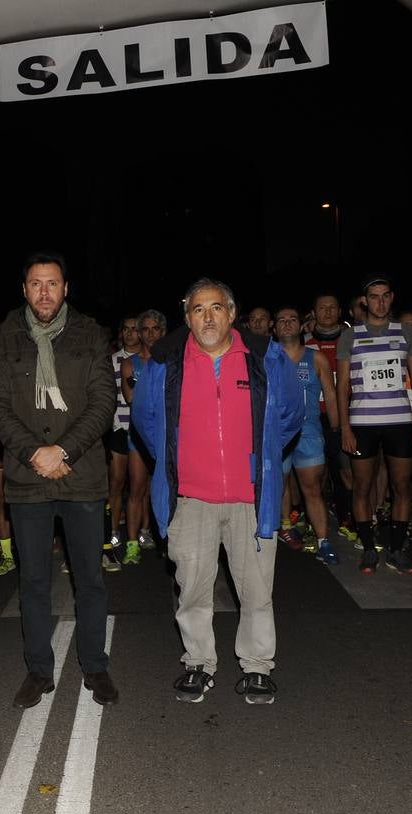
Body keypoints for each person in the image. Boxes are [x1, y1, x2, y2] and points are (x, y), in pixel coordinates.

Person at [134, 279, 301, 705]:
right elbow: (149, 424)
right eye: (197, 309)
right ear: (186, 316)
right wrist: (183, 466)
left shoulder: (266, 358)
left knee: (257, 591)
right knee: (191, 590)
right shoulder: (165, 364)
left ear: (231, 313)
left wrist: (259, 458)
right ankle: (197, 662)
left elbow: (290, 414)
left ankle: (258, 667)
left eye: (215, 308)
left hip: (252, 498)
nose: (207, 317)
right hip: (191, 499)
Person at [0, 252, 118, 708]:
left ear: (66, 289)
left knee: (90, 580)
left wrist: (61, 450)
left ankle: (95, 667)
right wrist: (34, 452)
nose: (44, 292)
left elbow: (103, 402)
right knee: (34, 582)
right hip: (27, 478)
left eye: (52, 284)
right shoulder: (5, 338)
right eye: (36, 284)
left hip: (81, 475)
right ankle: (39, 671)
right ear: (24, 290)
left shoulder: (91, 334)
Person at [336, 276, 412, 574]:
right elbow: (342, 388)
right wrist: (345, 428)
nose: (380, 302)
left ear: (392, 298)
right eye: (373, 296)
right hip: (362, 423)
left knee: (402, 487)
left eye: (385, 296)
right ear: (364, 301)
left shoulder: (406, 332)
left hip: (401, 421)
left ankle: (398, 549)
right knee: (362, 487)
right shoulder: (350, 336)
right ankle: (367, 549)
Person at [274, 306, 339, 564]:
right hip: (277, 433)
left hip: (308, 431)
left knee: (312, 488)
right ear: (275, 327)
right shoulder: (267, 358)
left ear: (301, 326)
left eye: (292, 319)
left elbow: (331, 396)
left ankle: (324, 540)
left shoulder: (317, 358)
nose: (287, 324)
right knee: (278, 485)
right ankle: (284, 528)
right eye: (282, 320)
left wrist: (335, 431)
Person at [118, 309, 166, 564]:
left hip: (165, 433)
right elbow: (130, 397)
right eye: (144, 329)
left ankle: (167, 540)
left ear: (162, 332)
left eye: (154, 329)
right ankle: (132, 543)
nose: (149, 333)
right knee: (136, 488)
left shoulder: (172, 361)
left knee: (167, 489)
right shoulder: (131, 362)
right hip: (138, 434)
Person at [305, 293, 354, 534]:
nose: (327, 312)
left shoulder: (352, 339)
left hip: (347, 416)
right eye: (322, 307)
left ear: (340, 311)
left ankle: (348, 517)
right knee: (317, 475)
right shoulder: (302, 342)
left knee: (347, 471)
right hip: (314, 418)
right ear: (314, 312)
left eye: (332, 307)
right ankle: (317, 523)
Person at [105, 316, 141, 571]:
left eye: (134, 329)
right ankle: (114, 531)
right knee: (116, 482)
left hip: (141, 428)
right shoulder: (112, 360)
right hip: (118, 426)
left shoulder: (150, 357)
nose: (130, 334)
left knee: (140, 485)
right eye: (126, 329)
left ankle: (140, 534)